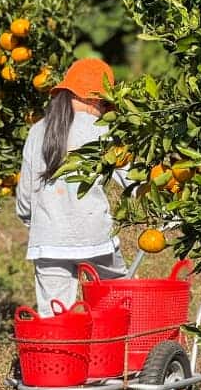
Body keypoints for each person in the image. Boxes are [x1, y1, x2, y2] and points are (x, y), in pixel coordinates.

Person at [15, 57, 129, 316]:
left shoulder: (37, 130)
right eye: (105, 104)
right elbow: (132, 179)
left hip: (48, 239)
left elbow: (25, 198)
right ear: (94, 99)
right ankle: (107, 341)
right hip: (95, 237)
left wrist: (36, 224)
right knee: (117, 302)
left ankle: (60, 345)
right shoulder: (103, 130)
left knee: (55, 317)